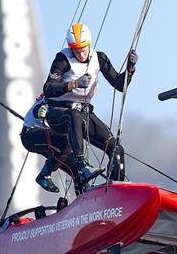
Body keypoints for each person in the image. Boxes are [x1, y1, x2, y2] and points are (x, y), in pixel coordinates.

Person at [42, 22, 137, 185]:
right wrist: (73, 84)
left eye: (83, 50)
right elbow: (48, 88)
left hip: (83, 113)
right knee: (74, 115)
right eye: (76, 51)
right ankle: (81, 165)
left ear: (89, 45)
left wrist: (130, 69)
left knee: (116, 150)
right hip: (59, 113)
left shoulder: (99, 58)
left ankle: (116, 187)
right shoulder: (62, 60)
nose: (80, 54)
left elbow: (119, 85)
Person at [20, 95, 101, 194]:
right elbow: (39, 109)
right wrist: (42, 112)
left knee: (76, 170)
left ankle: (84, 199)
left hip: (52, 138)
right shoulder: (59, 97)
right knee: (64, 142)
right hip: (30, 136)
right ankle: (44, 174)